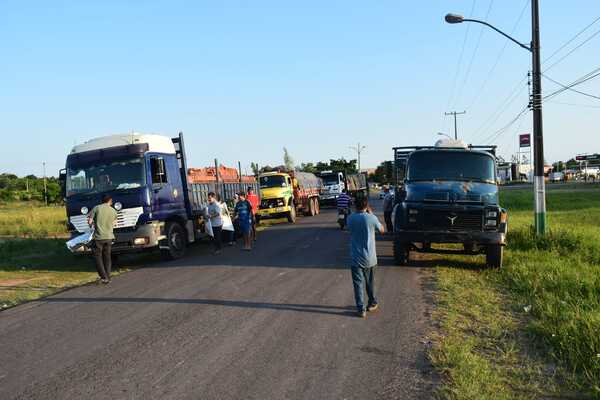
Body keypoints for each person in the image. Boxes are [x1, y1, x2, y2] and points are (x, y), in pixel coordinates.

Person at [347, 196, 385, 318]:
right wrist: (372, 214)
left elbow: (350, 229)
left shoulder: (350, 218)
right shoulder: (371, 218)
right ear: (366, 205)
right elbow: (382, 230)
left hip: (355, 257)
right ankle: (372, 302)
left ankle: (361, 309)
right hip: (370, 258)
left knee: (358, 284)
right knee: (370, 282)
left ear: (355, 206)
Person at [87, 194, 118, 284]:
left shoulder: (96, 208)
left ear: (102, 200)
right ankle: (108, 276)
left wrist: (91, 225)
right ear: (110, 201)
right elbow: (115, 224)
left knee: (97, 257)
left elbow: (89, 221)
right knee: (107, 257)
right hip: (109, 237)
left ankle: (104, 277)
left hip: (98, 237)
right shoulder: (113, 211)